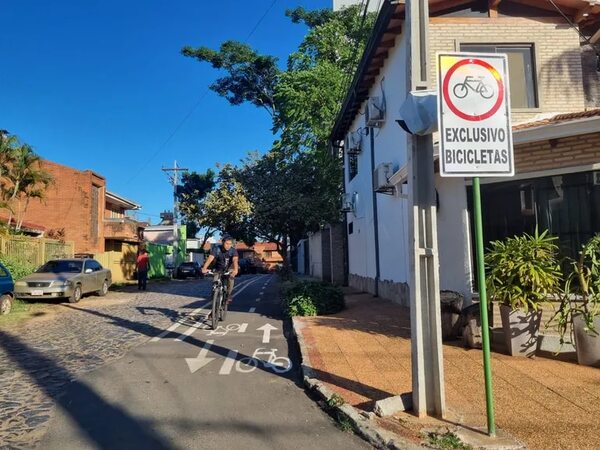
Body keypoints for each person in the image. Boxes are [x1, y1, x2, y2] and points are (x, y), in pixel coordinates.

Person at [201, 234, 239, 303]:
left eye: (230, 244)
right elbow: (210, 259)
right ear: (222, 242)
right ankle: (214, 306)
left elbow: (235, 260)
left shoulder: (233, 251)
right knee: (215, 285)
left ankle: (228, 295)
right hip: (218, 269)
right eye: (227, 243)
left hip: (228, 269)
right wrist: (204, 268)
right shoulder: (217, 249)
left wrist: (235, 269)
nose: (228, 245)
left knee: (231, 279)